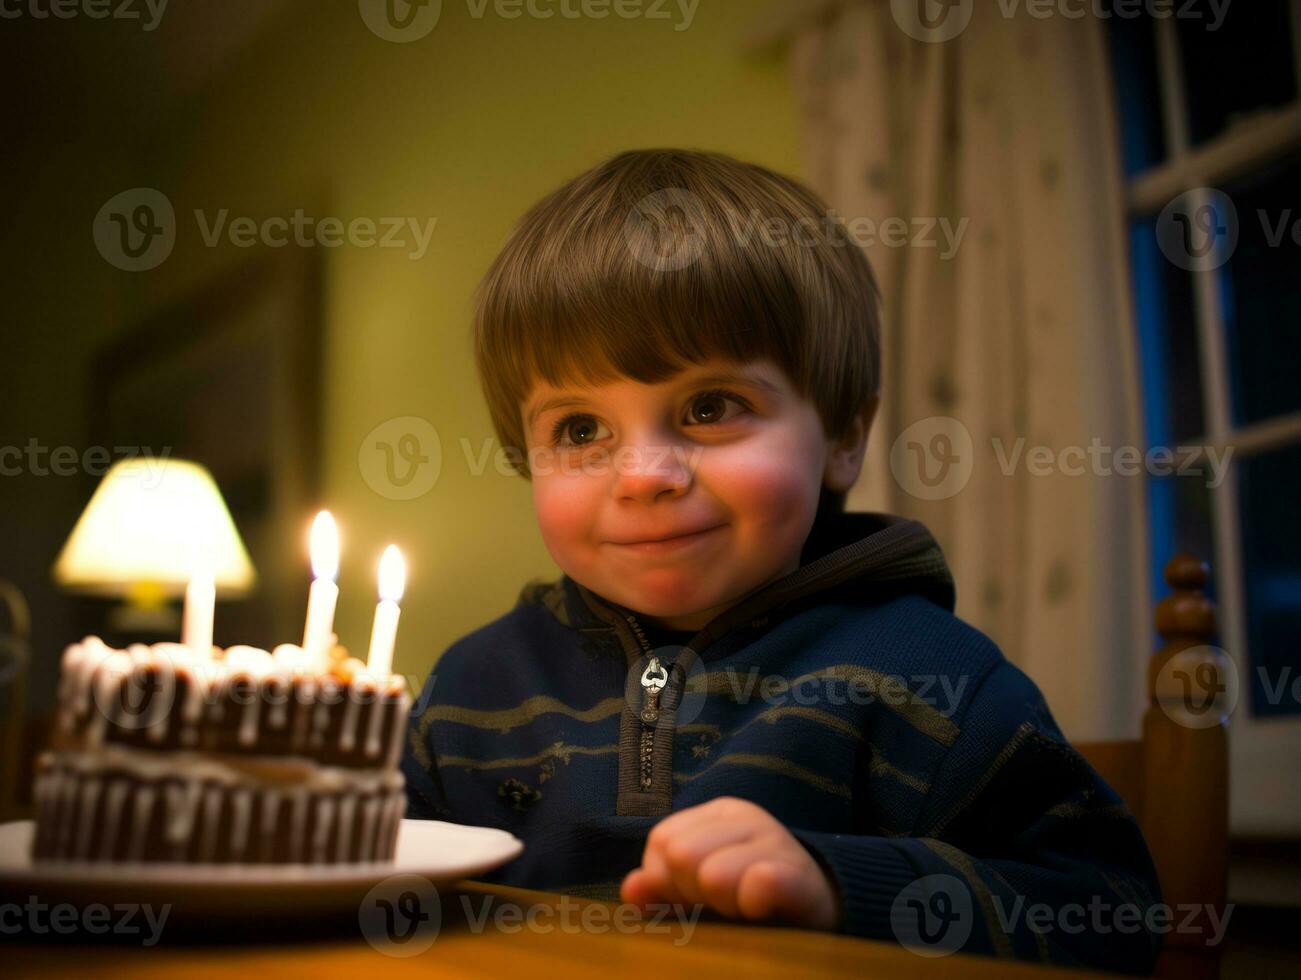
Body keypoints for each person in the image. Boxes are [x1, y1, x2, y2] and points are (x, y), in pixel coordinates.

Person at [402, 148, 1161, 971]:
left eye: (709, 407)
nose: (644, 476)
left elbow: (1110, 911)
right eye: (579, 430)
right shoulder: (467, 691)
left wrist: (844, 886)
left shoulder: (931, 683)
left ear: (841, 437)